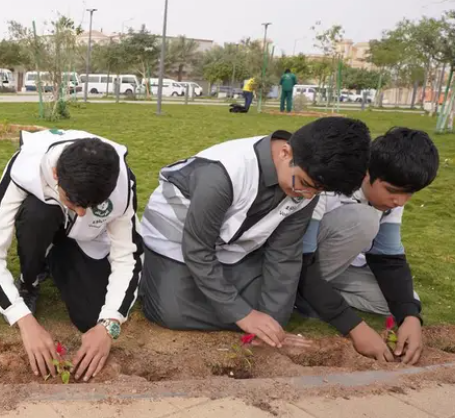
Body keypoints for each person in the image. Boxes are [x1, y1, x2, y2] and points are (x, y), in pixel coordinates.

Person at [139, 117, 370, 346]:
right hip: (176, 242)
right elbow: (198, 251)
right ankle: (153, 279)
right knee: (172, 311)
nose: (307, 195)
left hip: (232, 249)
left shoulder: (307, 187)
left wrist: (272, 323)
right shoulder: (222, 175)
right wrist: (244, 315)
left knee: (276, 312)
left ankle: (234, 304)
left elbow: (284, 254)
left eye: (319, 190)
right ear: (285, 152)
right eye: (305, 184)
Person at [0, 129, 143, 381]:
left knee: (90, 319)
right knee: (37, 213)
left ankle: (55, 258)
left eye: (88, 206)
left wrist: (110, 324)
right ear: (55, 174)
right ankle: (30, 279)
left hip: (84, 240)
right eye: (74, 202)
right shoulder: (26, 165)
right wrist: (22, 319)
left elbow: (128, 257)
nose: (82, 212)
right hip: (42, 220)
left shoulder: (120, 182)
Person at [296, 127, 439, 365]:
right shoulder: (327, 182)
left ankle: (319, 296)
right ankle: (303, 296)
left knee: (404, 301)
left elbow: (389, 260)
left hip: (339, 266)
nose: (399, 201)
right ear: (366, 173)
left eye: (409, 194)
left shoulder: (394, 196)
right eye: (392, 191)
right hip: (301, 262)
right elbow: (301, 258)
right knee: (364, 220)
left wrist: (410, 318)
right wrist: (354, 327)